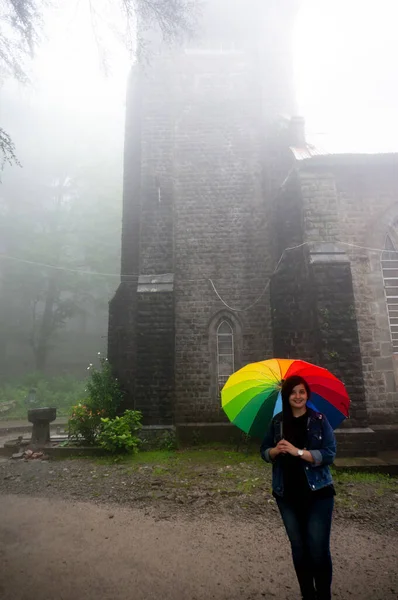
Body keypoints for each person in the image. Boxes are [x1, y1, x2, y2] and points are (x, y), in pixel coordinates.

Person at [260, 375, 336, 600]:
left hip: (318, 493)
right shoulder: (277, 422)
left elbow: (329, 453)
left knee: (318, 549)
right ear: (287, 395)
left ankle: (323, 595)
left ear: (307, 395)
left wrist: (299, 452)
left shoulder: (319, 420)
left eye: (302, 392)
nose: (298, 396)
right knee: (299, 549)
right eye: (293, 392)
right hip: (287, 495)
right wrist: (273, 452)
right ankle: (307, 595)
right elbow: (264, 450)